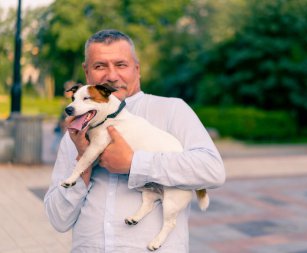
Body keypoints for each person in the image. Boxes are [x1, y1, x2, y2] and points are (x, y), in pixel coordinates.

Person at [44, 29, 225, 253]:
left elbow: (212, 170)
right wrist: (84, 160)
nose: (111, 76)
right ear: (86, 72)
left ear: (136, 69)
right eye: (100, 66)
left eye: (121, 65)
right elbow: (58, 220)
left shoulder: (172, 110)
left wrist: (134, 163)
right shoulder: (76, 130)